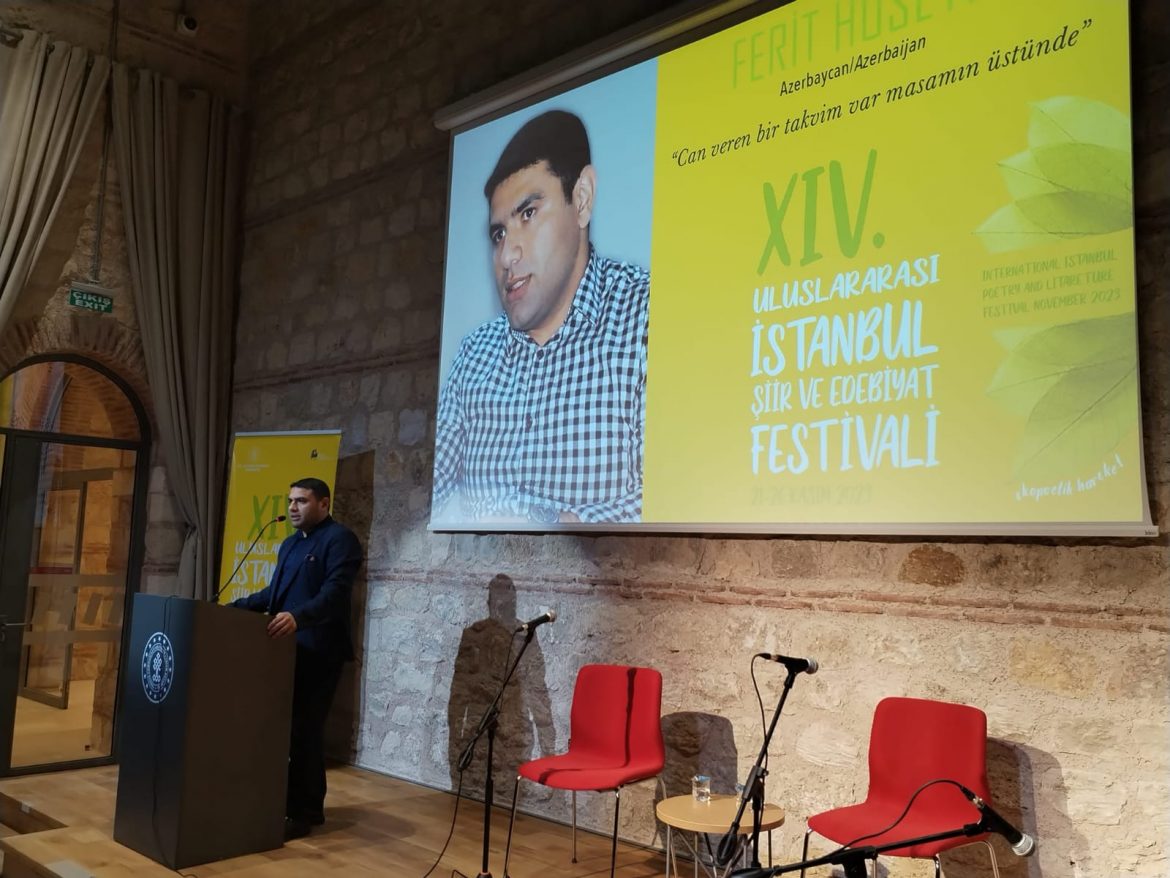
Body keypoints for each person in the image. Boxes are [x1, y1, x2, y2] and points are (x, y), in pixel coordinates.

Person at [433, 109, 650, 525]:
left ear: (582, 199)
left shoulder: (645, 317)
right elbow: (437, 500)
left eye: (528, 214)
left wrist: (555, 525)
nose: (507, 255)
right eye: (499, 234)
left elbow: (663, 496)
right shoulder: (474, 355)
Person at [231, 477, 362, 840]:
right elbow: (273, 594)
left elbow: (335, 594)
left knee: (305, 730)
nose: (292, 507)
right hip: (285, 651)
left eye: (301, 501)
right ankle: (298, 805)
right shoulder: (290, 544)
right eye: (290, 501)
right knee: (290, 730)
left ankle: (302, 813)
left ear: (324, 504)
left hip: (319, 651)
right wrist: (231, 607)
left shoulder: (340, 540)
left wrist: (299, 617)